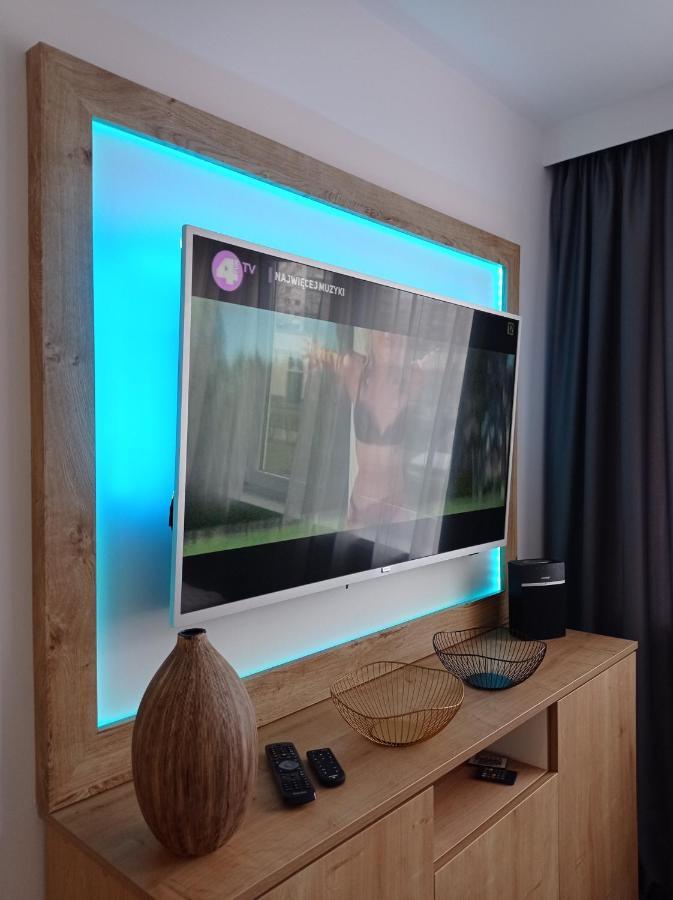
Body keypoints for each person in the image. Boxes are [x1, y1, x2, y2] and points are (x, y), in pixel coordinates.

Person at [307, 329, 431, 528]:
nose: (388, 335)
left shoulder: (413, 377)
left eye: (396, 330)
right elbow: (322, 354)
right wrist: (311, 353)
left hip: (398, 504)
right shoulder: (354, 370)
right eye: (382, 328)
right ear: (369, 334)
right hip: (363, 507)